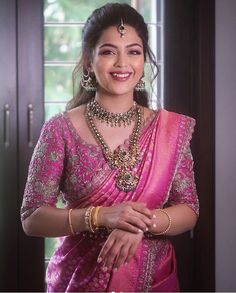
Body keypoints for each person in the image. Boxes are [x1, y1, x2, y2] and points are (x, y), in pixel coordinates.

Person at [21, 3, 199, 292]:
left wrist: (139, 225)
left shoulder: (168, 130)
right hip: (80, 278)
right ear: (89, 61)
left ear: (144, 60)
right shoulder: (60, 129)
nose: (122, 63)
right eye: (108, 51)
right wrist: (100, 216)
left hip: (154, 279)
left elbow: (189, 208)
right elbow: (32, 217)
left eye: (133, 51)